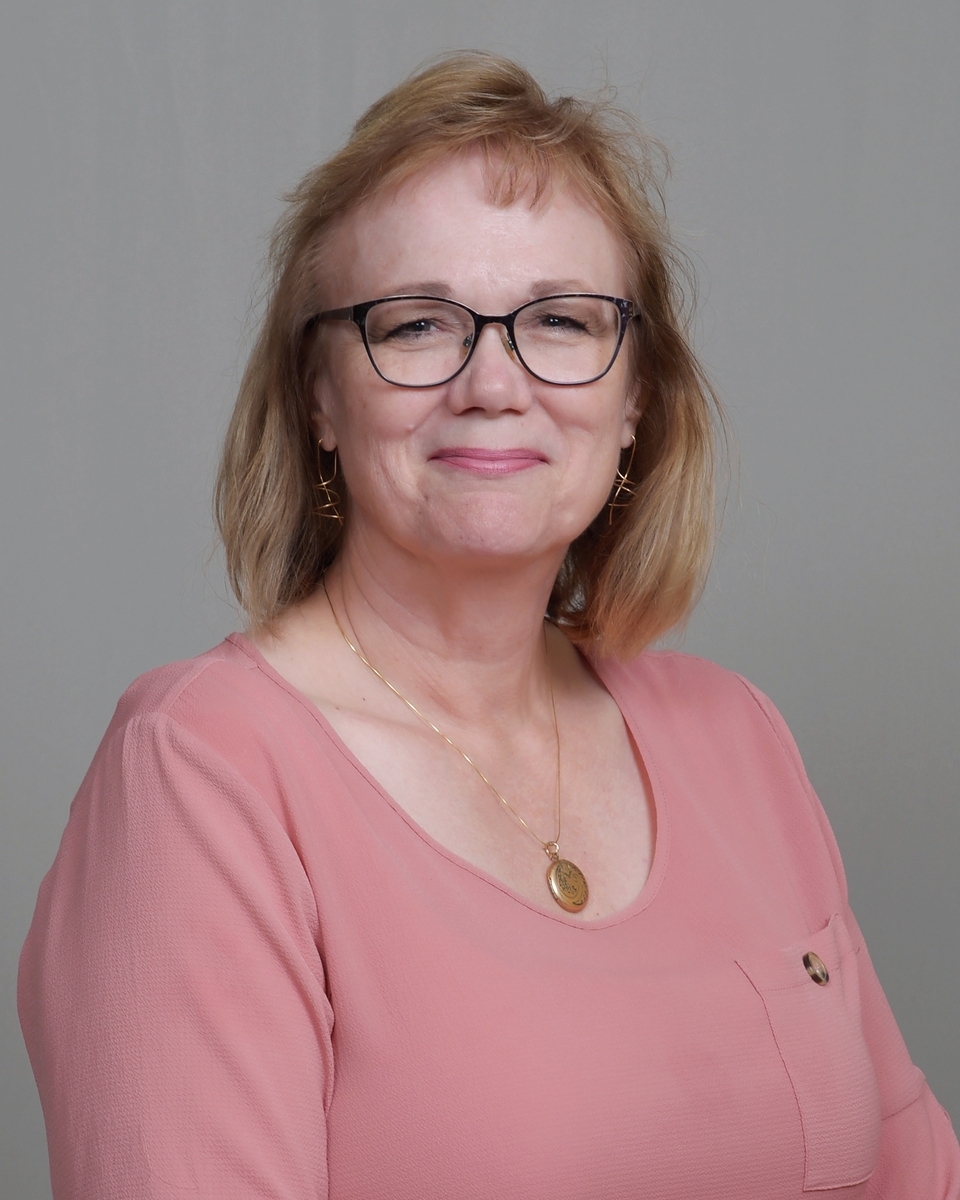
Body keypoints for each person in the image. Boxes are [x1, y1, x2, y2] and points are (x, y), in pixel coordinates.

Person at [18, 51, 959, 1200]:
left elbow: (916, 1174)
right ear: (319, 396)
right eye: (418, 325)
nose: (494, 382)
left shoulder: (737, 736)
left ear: (636, 397)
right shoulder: (201, 774)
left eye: (560, 320)